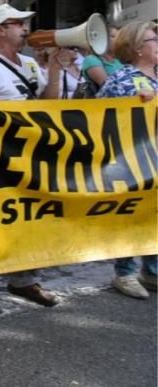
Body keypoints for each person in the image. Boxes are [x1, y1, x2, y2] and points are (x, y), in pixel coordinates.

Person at [0, 3, 63, 316]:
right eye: (17, 23)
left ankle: (24, 279)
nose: (24, 28)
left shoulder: (31, 64)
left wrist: (56, 69)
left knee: (29, 218)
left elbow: (49, 104)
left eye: (24, 23)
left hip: (29, 155)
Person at [95, 20, 157, 299]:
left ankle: (152, 270)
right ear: (136, 49)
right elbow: (101, 115)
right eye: (152, 40)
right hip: (132, 158)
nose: (157, 44)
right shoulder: (122, 79)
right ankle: (125, 272)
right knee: (132, 214)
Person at [80, 25, 122, 97]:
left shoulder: (119, 60)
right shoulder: (91, 60)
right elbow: (109, 87)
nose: (117, 40)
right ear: (102, 39)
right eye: (113, 36)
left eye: (119, 37)